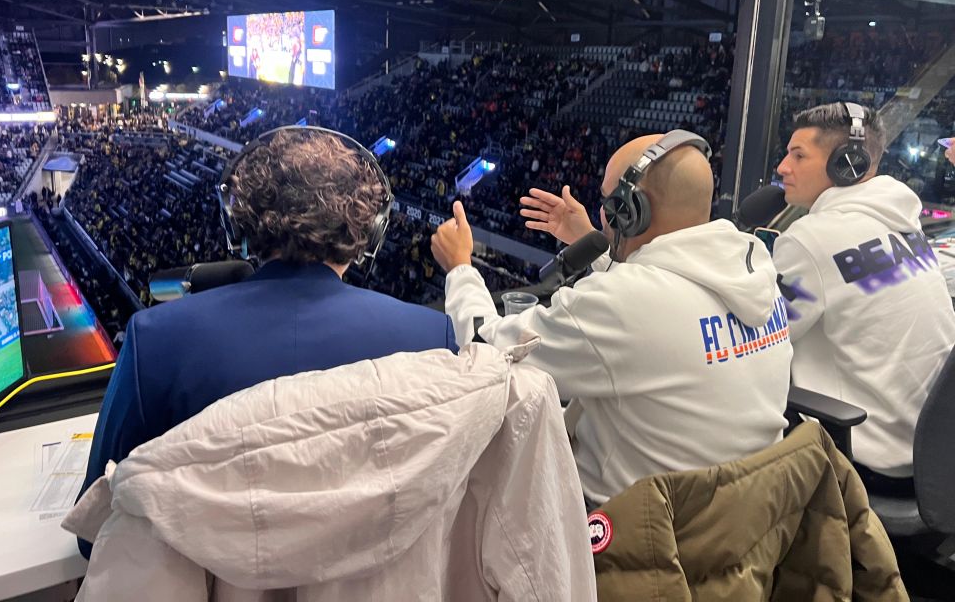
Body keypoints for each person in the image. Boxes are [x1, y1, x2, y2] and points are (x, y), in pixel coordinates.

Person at [79, 127, 457, 556]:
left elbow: (94, 530)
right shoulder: (432, 337)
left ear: (239, 222)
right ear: (370, 231)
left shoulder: (154, 339)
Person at [432, 131, 792, 507]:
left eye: (609, 202)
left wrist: (460, 268)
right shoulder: (756, 271)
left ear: (631, 212)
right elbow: (660, 292)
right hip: (739, 516)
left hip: (632, 525)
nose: (605, 214)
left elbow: (484, 348)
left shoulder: (624, 302)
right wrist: (588, 237)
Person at [774, 102, 955, 491]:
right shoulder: (905, 225)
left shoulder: (810, 240)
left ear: (846, 164)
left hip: (868, 459)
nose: (782, 167)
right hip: (935, 454)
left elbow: (763, 342)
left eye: (798, 155)